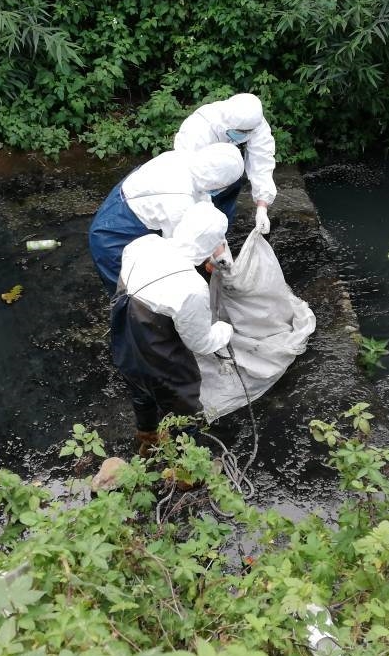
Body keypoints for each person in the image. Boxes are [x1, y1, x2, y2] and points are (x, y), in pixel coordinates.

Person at [109, 203, 235, 452]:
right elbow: (199, 343)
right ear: (210, 246)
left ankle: (147, 439)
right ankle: (186, 468)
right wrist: (224, 329)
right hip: (159, 354)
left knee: (139, 390)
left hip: (124, 336)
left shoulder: (143, 245)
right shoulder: (190, 287)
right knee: (183, 406)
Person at [88, 144, 243, 292]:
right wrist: (210, 260)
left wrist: (221, 255)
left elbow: (204, 207)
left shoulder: (191, 162)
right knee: (134, 293)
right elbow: (180, 253)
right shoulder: (179, 201)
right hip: (113, 235)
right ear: (217, 181)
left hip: (135, 198)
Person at [174, 92, 277, 234]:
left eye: (248, 132)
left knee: (223, 221)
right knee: (199, 226)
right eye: (241, 131)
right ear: (229, 124)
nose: (246, 134)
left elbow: (262, 161)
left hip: (227, 173)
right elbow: (186, 176)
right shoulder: (197, 130)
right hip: (199, 180)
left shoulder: (255, 122)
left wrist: (262, 207)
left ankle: (223, 237)